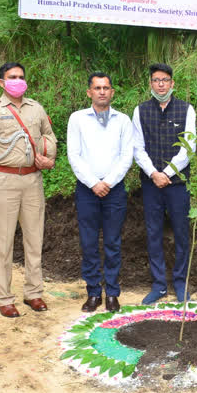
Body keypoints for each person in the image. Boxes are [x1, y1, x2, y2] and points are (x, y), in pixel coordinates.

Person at [0, 62, 56, 318]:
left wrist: (49, 157)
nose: (17, 81)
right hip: (2, 180)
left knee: (35, 240)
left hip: (32, 180)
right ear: (1, 82)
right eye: (12, 77)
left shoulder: (36, 108)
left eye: (21, 76)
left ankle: (34, 293)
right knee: (2, 243)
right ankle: (4, 298)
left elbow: (49, 135)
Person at [67, 72, 133, 312]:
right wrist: (94, 182)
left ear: (112, 92)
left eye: (106, 87)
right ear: (89, 92)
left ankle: (112, 293)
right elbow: (74, 154)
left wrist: (109, 182)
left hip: (114, 190)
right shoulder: (77, 119)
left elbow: (127, 156)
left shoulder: (123, 120)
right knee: (89, 242)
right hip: (87, 190)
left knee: (113, 242)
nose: (102, 91)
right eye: (97, 88)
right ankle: (93, 292)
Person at [132, 63, 196, 304]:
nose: (161, 84)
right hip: (150, 183)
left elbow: (189, 148)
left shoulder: (186, 110)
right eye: (156, 80)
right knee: (153, 233)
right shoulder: (140, 111)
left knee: (181, 231)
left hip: (177, 183)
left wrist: (166, 173)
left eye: (165, 80)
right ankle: (159, 285)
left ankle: (180, 283)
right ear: (150, 84)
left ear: (172, 83)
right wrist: (153, 173)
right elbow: (137, 147)